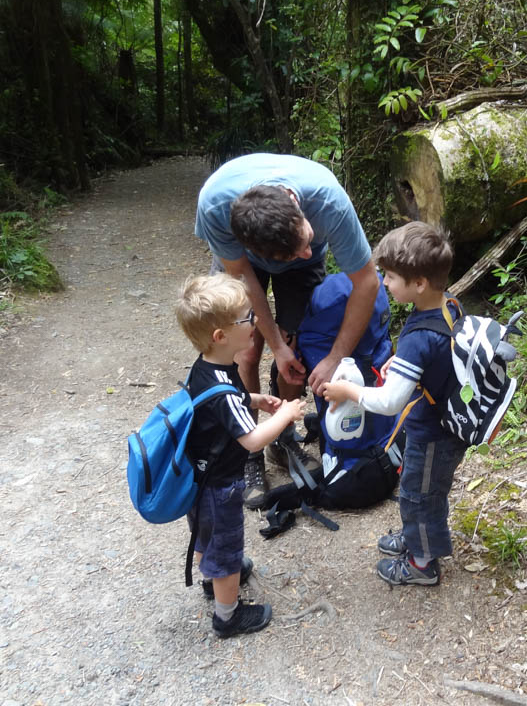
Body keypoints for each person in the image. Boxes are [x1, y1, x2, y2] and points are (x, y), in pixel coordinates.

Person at [195, 153, 380, 506]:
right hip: (243, 266)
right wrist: (273, 345)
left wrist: (333, 356)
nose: (308, 250)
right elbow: (243, 278)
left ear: (297, 206)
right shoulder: (215, 206)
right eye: (299, 249)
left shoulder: (328, 203)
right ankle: (248, 452)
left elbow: (367, 282)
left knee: (296, 352)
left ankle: (282, 437)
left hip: (299, 272)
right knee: (244, 353)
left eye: (308, 238)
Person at [323, 222, 465, 586]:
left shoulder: (419, 338)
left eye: (390, 276)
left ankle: (422, 564)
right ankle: (416, 535)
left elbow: (388, 402)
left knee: (420, 495)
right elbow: (440, 353)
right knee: (419, 490)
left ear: (419, 283)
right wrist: (402, 363)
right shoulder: (448, 303)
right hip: (441, 421)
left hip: (434, 434)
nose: (384, 282)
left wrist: (348, 392)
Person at [175, 273, 306, 637]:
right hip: (220, 487)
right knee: (228, 550)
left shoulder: (207, 368)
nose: (256, 321)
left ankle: (211, 579)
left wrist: (255, 400)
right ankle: (227, 616)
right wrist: (284, 415)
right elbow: (252, 441)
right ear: (221, 336)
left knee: (208, 536)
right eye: (248, 317)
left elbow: (224, 401)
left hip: (201, 480)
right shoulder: (223, 390)